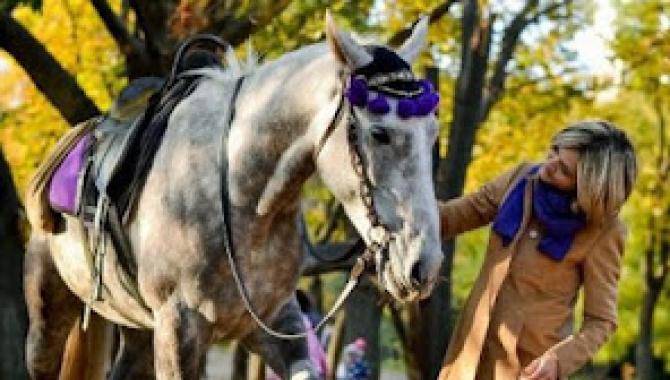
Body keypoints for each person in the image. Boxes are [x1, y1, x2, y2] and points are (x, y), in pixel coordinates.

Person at [437, 121, 637, 380]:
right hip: (468, 355)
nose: (549, 164)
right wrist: (401, 215)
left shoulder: (604, 232)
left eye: (564, 169)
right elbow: (458, 215)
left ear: (588, 189)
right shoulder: (521, 180)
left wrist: (559, 361)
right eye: (554, 151)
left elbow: (602, 322)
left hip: (527, 368)